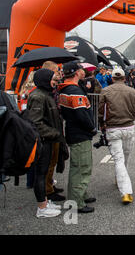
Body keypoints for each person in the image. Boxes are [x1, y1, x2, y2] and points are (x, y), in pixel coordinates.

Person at [58, 61, 97, 213]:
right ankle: (76, 202)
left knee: (78, 166)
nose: (83, 70)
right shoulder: (74, 90)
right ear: (76, 72)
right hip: (80, 133)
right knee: (81, 168)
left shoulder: (65, 89)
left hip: (73, 131)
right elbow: (81, 114)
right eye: (81, 69)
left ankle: (81, 194)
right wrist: (92, 128)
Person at [98, 68, 135, 205]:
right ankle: (122, 183)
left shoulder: (105, 91)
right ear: (124, 78)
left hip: (113, 127)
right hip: (128, 127)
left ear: (112, 78)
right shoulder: (133, 91)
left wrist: (102, 125)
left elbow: (100, 111)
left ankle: (126, 191)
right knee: (125, 158)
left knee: (119, 159)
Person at [27, 68, 64, 218]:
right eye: (52, 79)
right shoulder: (38, 96)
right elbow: (35, 122)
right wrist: (54, 133)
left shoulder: (45, 94)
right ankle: (41, 207)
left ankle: (45, 201)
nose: (55, 82)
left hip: (48, 140)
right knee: (40, 174)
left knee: (43, 173)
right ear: (44, 79)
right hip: (43, 141)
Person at [41, 60, 66, 202]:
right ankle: (47, 191)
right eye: (56, 70)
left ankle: (49, 185)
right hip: (49, 132)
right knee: (49, 162)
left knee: (54, 160)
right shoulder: (42, 92)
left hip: (56, 128)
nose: (59, 73)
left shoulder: (54, 89)